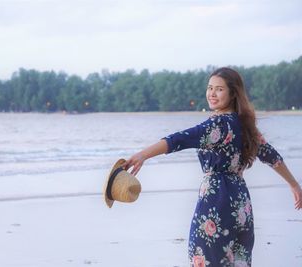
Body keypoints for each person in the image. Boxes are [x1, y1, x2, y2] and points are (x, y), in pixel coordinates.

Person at [124, 67, 302, 267]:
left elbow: (179, 139)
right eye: (210, 88)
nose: (212, 94)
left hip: (216, 200)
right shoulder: (245, 125)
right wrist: (294, 184)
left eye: (219, 89)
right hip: (241, 203)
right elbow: (271, 157)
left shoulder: (217, 125)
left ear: (233, 93)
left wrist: (142, 155)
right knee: (239, 262)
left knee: (206, 259)